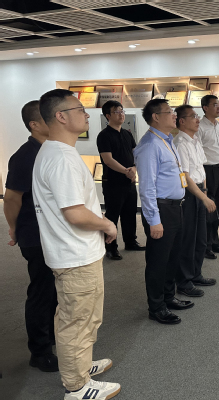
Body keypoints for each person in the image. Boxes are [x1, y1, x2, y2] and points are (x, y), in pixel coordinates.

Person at [33, 89, 120, 399]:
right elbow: (75, 213)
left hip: (78, 252)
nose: (87, 114)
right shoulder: (60, 158)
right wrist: (107, 224)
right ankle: (77, 385)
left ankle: (80, 365)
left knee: (86, 317)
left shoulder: (59, 151)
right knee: (76, 321)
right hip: (75, 254)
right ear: (60, 116)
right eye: (80, 109)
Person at [3, 101, 58, 372]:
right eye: (49, 118)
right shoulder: (25, 156)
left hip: (54, 233)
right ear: (34, 125)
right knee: (42, 292)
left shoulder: (52, 149)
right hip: (35, 235)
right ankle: (39, 350)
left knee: (55, 290)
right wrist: (14, 228)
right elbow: (12, 198)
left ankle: (52, 335)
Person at [134, 99, 194, 325]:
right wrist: (154, 221)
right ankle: (156, 306)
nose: (174, 115)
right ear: (156, 117)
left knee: (172, 257)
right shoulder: (150, 145)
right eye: (169, 112)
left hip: (175, 207)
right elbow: (147, 187)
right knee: (158, 261)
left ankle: (169, 297)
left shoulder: (167, 140)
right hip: (161, 210)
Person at [173, 105, 217, 297]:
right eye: (193, 116)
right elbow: (185, 176)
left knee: (201, 237)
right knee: (188, 239)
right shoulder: (180, 143)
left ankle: (195, 274)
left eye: (197, 116)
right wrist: (202, 197)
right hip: (189, 194)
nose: (198, 119)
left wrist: (205, 191)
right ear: (182, 121)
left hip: (200, 191)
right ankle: (184, 281)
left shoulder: (196, 140)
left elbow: (201, 169)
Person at [96, 100, 145, 260]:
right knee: (112, 215)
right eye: (117, 112)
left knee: (130, 213)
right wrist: (126, 171)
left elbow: (135, 154)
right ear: (108, 116)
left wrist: (134, 169)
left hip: (129, 181)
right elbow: (108, 160)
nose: (121, 114)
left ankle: (131, 242)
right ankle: (111, 248)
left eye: (122, 111)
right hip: (113, 182)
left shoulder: (127, 134)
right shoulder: (104, 136)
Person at [197, 95, 219, 260]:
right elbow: (197, 153)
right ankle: (205, 246)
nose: (218, 107)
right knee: (208, 209)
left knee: (218, 207)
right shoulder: (200, 127)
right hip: (207, 171)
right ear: (205, 107)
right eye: (215, 105)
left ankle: (215, 242)